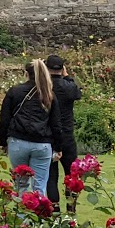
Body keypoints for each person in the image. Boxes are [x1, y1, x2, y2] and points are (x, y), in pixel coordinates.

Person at [0, 60, 58, 197]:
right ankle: (39, 215)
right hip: (42, 143)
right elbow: (55, 124)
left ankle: (22, 217)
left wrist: (3, 141)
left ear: (26, 74)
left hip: (18, 141)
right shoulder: (48, 94)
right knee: (40, 185)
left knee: (21, 184)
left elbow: (4, 120)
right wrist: (58, 146)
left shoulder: (15, 92)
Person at [45, 55, 82, 215]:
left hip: (49, 135)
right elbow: (77, 93)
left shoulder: (45, 86)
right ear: (62, 68)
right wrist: (68, 77)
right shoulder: (68, 86)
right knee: (71, 175)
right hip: (67, 135)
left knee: (51, 176)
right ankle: (71, 209)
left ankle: (55, 210)